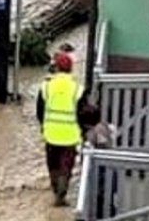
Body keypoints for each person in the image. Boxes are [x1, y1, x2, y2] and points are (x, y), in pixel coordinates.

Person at [37, 52, 88, 207]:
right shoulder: (77, 89)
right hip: (70, 136)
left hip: (51, 134)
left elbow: (40, 111)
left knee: (52, 164)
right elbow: (83, 114)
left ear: (56, 68)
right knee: (66, 166)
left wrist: (43, 126)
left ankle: (55, 188)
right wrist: (84, 132)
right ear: (71, 69)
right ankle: (62, 192)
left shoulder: (46, 86)